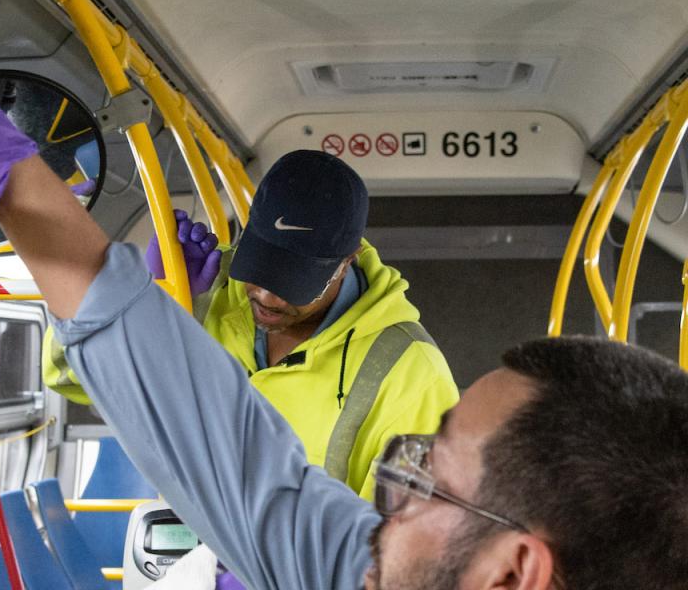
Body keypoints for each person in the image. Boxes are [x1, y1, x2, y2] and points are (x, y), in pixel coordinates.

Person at [0, 75, 688, 590]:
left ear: (512, 574)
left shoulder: (400, 366)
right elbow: (230, 450)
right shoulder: (362, 568)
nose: (389, 494)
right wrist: (13, 177)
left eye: (425, 475)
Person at [44, 148, 459, 499]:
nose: (265, 295)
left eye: (292, 282)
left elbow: (413, 548)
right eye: (260, 270)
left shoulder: (412, 375)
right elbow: (69, 377)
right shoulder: (206, 293)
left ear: (346, 262)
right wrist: (148, 300)